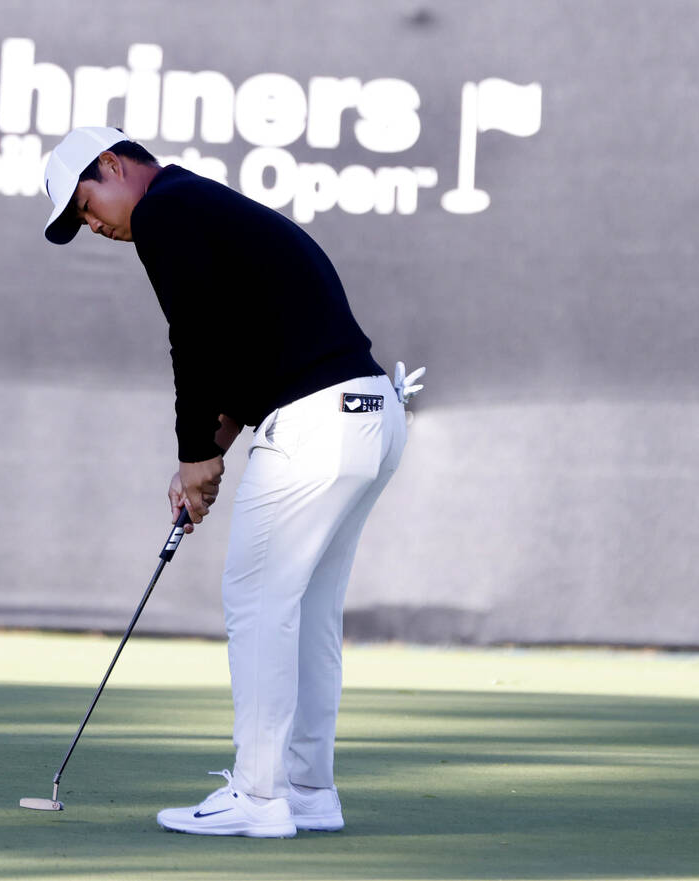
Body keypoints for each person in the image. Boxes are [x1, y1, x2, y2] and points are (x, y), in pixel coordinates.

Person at [41, 126, 424, 838]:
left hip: (319, 423)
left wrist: (193, 454)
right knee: (306, 609)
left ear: (114, 163)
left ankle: (258, 794)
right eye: (78, 223)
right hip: (373, 414)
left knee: (256, 597)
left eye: (85, 202)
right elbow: (254, 345)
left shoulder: (163, 210)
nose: (92, 224)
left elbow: (195, 335)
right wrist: (213, 446)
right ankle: (308, 789)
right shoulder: (203, 204)